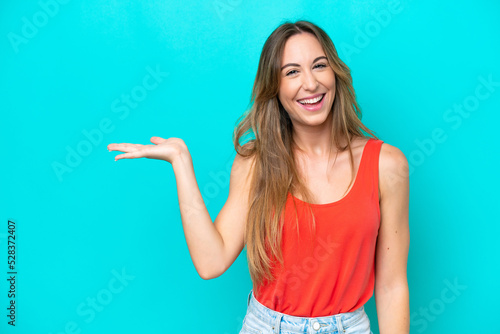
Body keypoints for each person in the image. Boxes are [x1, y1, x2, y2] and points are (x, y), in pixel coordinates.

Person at [107, 20, 409, 334]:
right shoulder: (257, 161)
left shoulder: (386, 165)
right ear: (274, 88)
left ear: (335, 72)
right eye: (292, 72)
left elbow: (393, 286)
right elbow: (212, 261)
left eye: (319, 66)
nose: (310, 83)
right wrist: (181, 163)